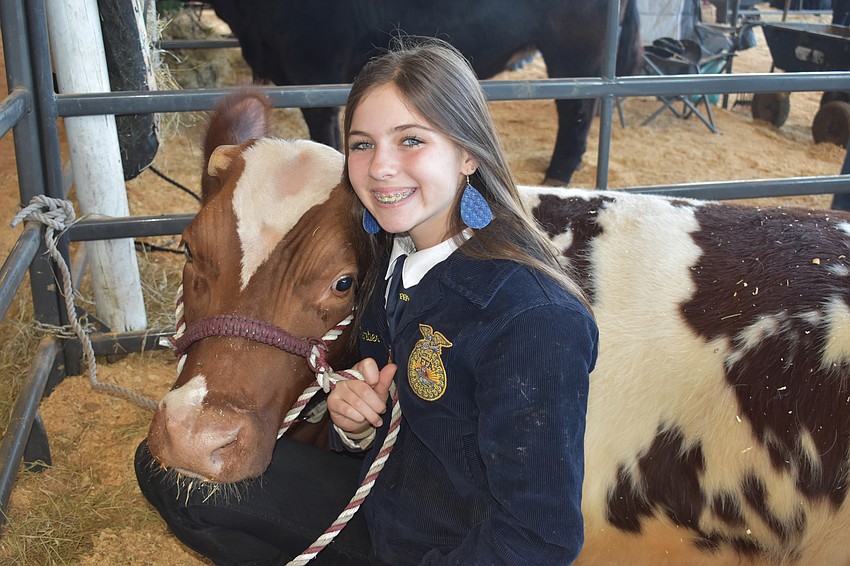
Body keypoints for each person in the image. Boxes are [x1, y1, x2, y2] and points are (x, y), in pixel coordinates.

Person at [135, 36, 597, 565]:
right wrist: (352, 427)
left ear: (468, 153)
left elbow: (541, 539)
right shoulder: (387, 259)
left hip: (448, 547)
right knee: (161, 470)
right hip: (382, 504)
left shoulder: (533, 319)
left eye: (411, 141)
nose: (380, 167)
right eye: (362, 144)